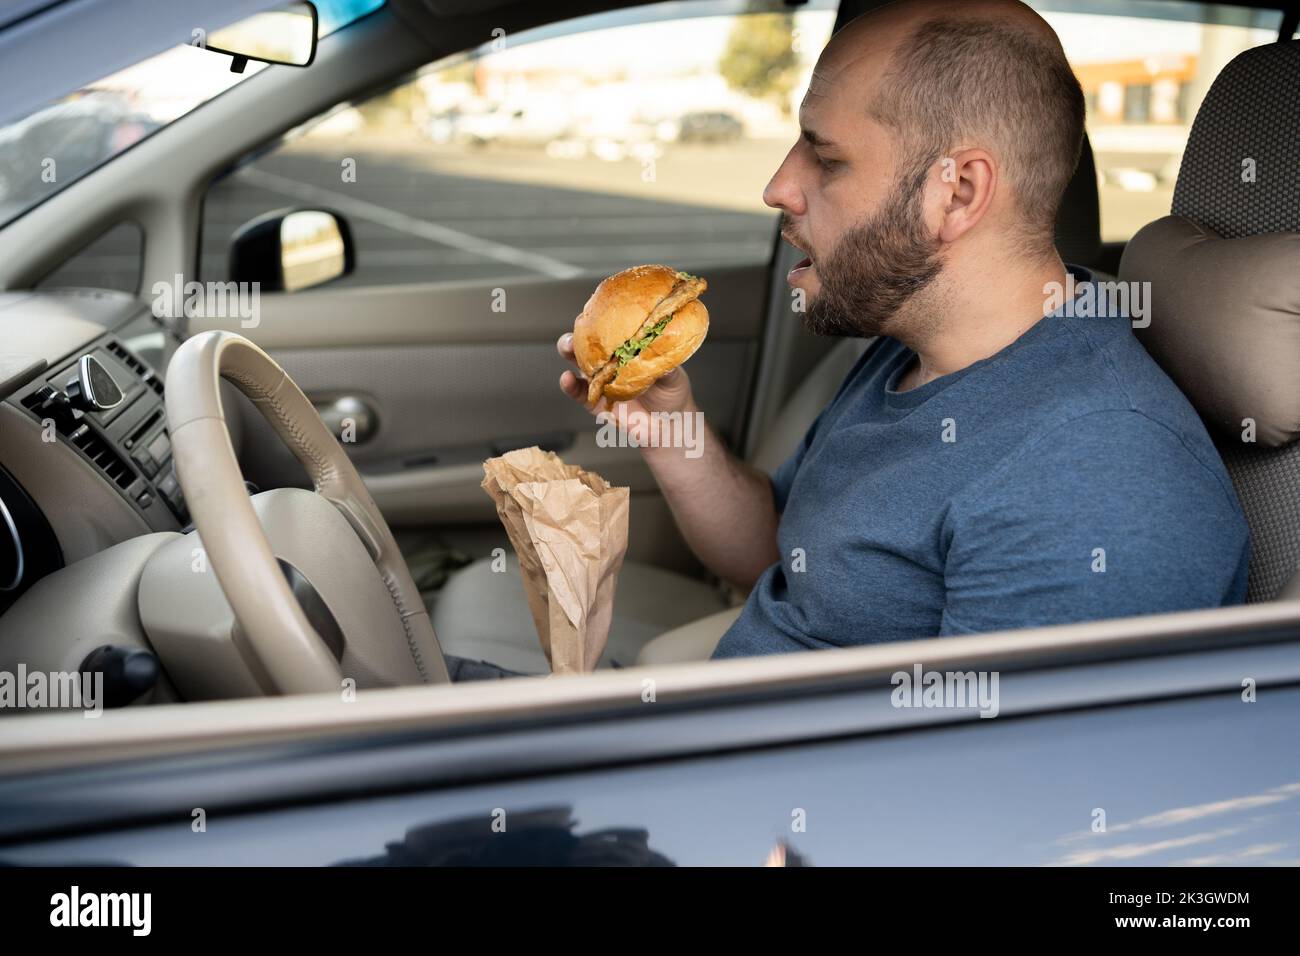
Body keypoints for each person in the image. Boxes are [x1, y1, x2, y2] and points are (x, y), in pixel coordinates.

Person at [554, 0, 1249, 659]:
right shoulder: (911, 348)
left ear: (959, 193)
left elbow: (991, 780)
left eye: (826, 160)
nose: (777, 187)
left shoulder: (1094, 482)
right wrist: (672, 433)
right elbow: (784, 553)